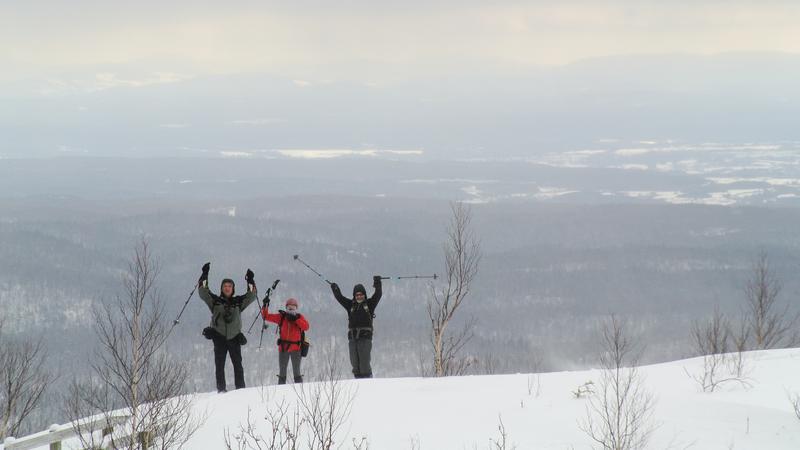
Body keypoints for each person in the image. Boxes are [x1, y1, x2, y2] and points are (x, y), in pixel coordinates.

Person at [198, 262, 257, 393]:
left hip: (234, 336)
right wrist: (204, 275)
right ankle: (221, 389)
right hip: (218, 336)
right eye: (225, 286)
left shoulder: (238, 302)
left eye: (229, 286)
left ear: (233, 288)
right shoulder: (215, 301)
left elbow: (252, 295)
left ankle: (241, 390)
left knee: (238, 365)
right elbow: (203, 292)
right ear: (221, 288)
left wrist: (251, 281)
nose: (227, 288)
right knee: (219, 365)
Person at [330, 276, 382, 378]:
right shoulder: (350, 305)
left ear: (364, 295)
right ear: (354, 296)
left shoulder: (370, 304)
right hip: (353, 339)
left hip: (365, 338)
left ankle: (368, 381)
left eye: (361, 294)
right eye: (357, 295)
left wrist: (377, 283)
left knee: (364, 365)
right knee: (355, 364)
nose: (359, 297)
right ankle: (358, 383)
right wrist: (335, 289)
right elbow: (340, 298)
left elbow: (378, 294)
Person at [262, 297, 310, 384]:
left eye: (293, 308)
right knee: (282, 373)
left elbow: (306, 327)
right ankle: (281, 392)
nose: (291, 310)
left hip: (296, 349)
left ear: (296, 309)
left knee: (297, 372)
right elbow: (266, 316)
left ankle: (300, 392)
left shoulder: (299, 317)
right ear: (286, 308)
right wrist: (265, 306)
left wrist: (296, 320)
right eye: (289, 308)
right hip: (283, 349)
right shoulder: (282, 317)